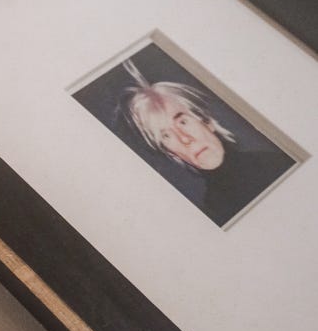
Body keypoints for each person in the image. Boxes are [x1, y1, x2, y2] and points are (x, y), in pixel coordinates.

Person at [120, 60, 293, 226]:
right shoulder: (215, 213)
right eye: (166, 135)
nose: (185, 139)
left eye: (183, 122)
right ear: (170, 152)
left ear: (206, 120)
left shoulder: (279, 163)